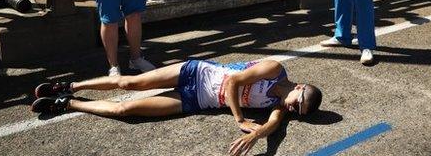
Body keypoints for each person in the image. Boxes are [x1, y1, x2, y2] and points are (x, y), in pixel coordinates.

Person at [30, 59, 323, 156]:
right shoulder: (274, 69)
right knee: (129, 84)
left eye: (297, 113)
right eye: (297, 104)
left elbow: (273, 127)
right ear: (299, 88)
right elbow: (233, 81)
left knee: (126, 112)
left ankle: (67, 104)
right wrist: (241, 120)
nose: (292, 110)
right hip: (197, 73)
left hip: (196, 101)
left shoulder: (279, 107)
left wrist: (255, 138)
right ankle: (71, 86)